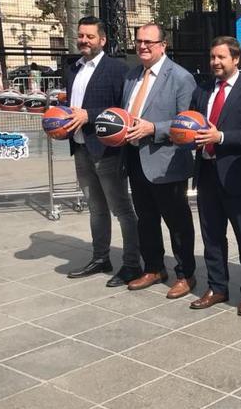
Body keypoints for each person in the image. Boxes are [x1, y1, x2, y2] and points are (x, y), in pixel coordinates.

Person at [188, 36, 241, 315]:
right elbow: (191, 123)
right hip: (207, 172)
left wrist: (219, 136)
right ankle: (217, 287)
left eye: (221, 57)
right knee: (211, 236)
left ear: (236, 59)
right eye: (212, 57)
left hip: (238, 176)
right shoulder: (203, 89)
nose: (215, 62)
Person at [62, 16, 141, 287]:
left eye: (90, 37)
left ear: (102, 40)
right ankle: (100, 257)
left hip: (108, 151)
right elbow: (73, 108)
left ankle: (132, 264)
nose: (84, 40)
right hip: (81, 148)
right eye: (81, 35)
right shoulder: (73, 69)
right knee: (95, 208)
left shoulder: (117, 69)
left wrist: (90, 115)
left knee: (122, 209)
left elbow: (124, 110)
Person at [123, 23, 198, 299]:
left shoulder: (180, 77)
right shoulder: (132, 76)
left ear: (163, 45)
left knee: (177, 222)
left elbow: (186, 121)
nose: (142, 46)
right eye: (139, 41)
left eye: (149, 42)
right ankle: (154, 267)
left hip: (167, 162)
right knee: (146, 219)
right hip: (135, 158)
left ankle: (185, 273)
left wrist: (154, 128)